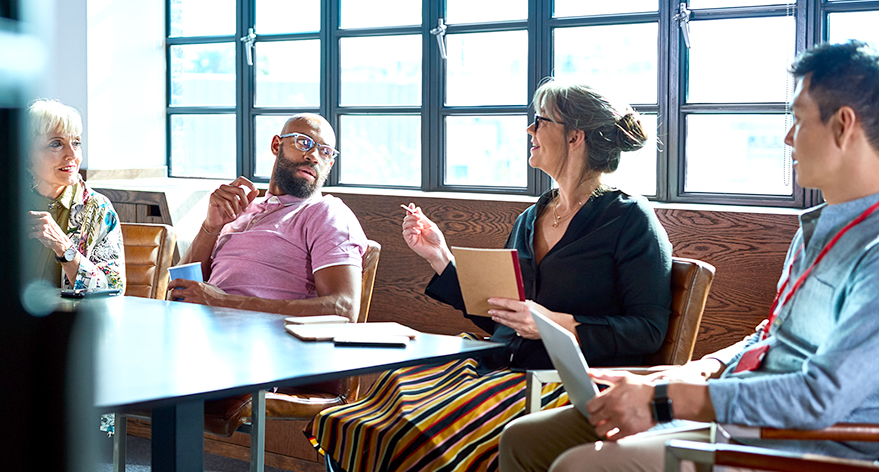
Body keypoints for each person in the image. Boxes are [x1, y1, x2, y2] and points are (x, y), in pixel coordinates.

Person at [498, 39, 879, 472]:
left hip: (799, 445)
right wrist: (695, 370)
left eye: (797, 120)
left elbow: (818, 398)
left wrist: (669, 398)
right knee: (524, 439)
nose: (787, 137)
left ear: (844, 126)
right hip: (734, 413)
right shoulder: (818, 230)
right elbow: (769, 338)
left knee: (579, 464)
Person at [310, 79, 673, 472]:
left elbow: (647, 329)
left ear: (575, 137)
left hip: (560, 384)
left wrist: (554, 324)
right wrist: (440, 258)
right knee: (368, 411)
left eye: (541, 121)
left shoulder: (629, 219)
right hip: (500, 364)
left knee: (420, 431)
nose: (530, 130)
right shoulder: (531, 219)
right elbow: (501, 316)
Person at [168, 113, 367, 320]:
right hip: (203, 334)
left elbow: (343, 309)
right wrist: (211, 226)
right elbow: (179, 289)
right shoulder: (240, 210)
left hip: (273, 343)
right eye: (304, 142)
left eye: (325, 152)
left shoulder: (327, 213)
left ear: (330, 165)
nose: (313, 156)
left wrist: (222, 302)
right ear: (276, 145)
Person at [25, 98, 125, 291]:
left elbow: (113, 289)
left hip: (69, 319)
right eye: (56, 144)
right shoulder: (9, 200)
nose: (72, 155)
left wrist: (64, 247)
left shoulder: (98, 209)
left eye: (76, 142)